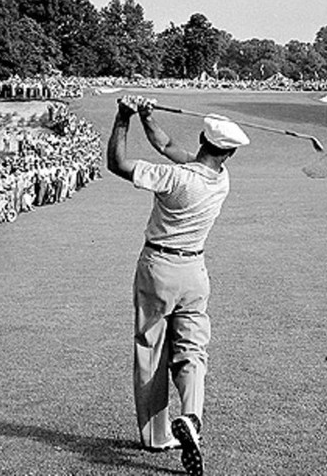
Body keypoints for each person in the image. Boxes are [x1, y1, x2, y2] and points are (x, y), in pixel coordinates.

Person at [107, 96, 249, 476]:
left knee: (151, 349)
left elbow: (117, 164)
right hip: (195, 272)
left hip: (158, 267)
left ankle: (156, 435)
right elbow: (167, 146)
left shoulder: (175, 178)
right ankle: (192, 417)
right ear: (229, 153)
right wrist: (149, 118)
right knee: (192, 349)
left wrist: (124, 118)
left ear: (203, 140)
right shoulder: (221, 180)